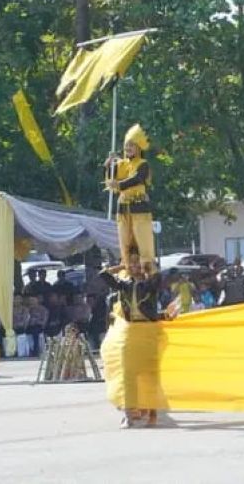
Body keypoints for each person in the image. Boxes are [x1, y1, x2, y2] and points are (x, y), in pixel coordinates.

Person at [100, 255, 173, 428]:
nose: (134, 266)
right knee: (128, 374)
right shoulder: (124, 285)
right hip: (130, 333)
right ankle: (129, 415)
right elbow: (102, 275)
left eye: (136, 262)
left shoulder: (150, 285)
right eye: (131, 263)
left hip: (148, 332)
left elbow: (163, 276)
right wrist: (120, 267)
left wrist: (150, 267)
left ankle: (152, 413)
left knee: (150, 375)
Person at [104, 123, 156, 267]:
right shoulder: (121, 164)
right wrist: (109, 166)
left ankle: (147, 265)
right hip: (123, 207)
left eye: (131, 145)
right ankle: (126, 264)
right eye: (126, 145)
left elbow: (137, 178)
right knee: (124, 238)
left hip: (139, 206)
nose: (128, 148)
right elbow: (111, 180)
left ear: (138, 147)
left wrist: (120, 185)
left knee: (142, 237)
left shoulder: (143, 164)